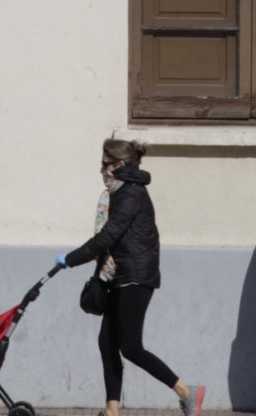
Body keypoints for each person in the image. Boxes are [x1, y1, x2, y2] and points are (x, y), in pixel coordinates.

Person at [55, 138, 205, 416]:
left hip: (136, 277)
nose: (102, 170)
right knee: (107, 343)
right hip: (121, 275)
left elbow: (109, 235)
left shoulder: (131, 194)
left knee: (131, 347)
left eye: (105, 164)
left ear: (120, 164)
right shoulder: (122, 192)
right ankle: (112, 411)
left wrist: (71, 259)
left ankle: (186, 391)